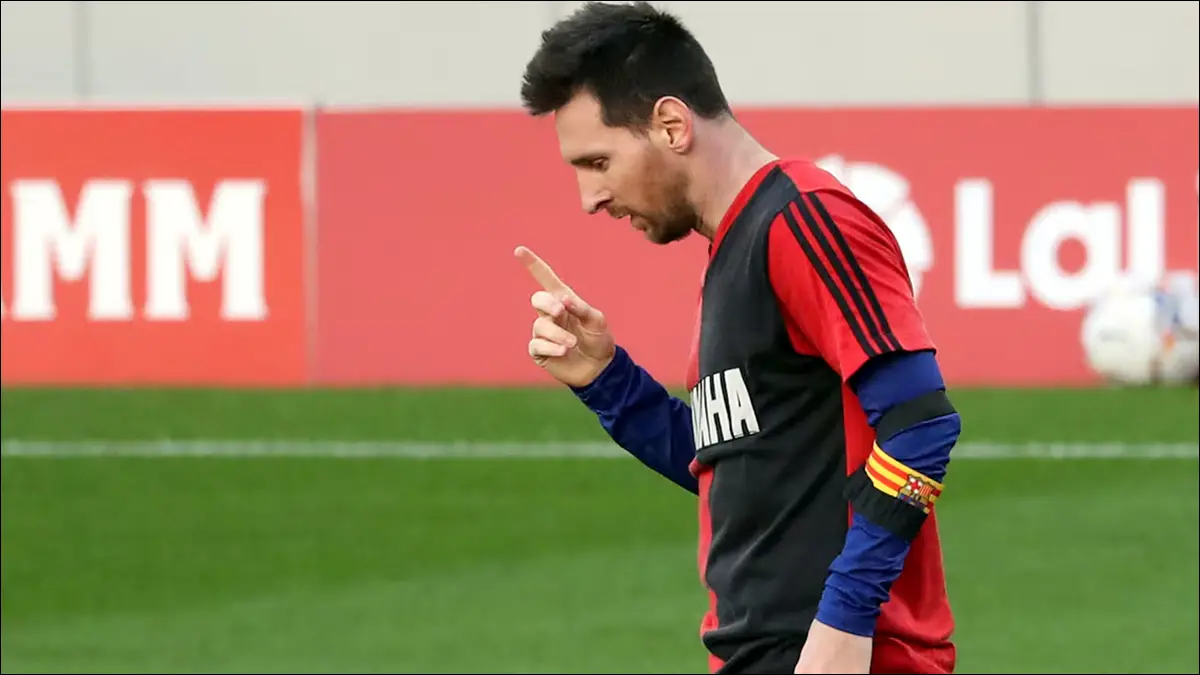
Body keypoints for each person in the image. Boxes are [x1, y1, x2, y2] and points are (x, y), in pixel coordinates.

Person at [513, 2, 962, 673]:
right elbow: (739, 473)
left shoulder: (804, 221)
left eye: (598, 161)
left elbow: (920, 425)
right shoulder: (736, 247)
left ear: (671, 125)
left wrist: (843, 622)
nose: (589, 198)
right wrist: (609, 383)